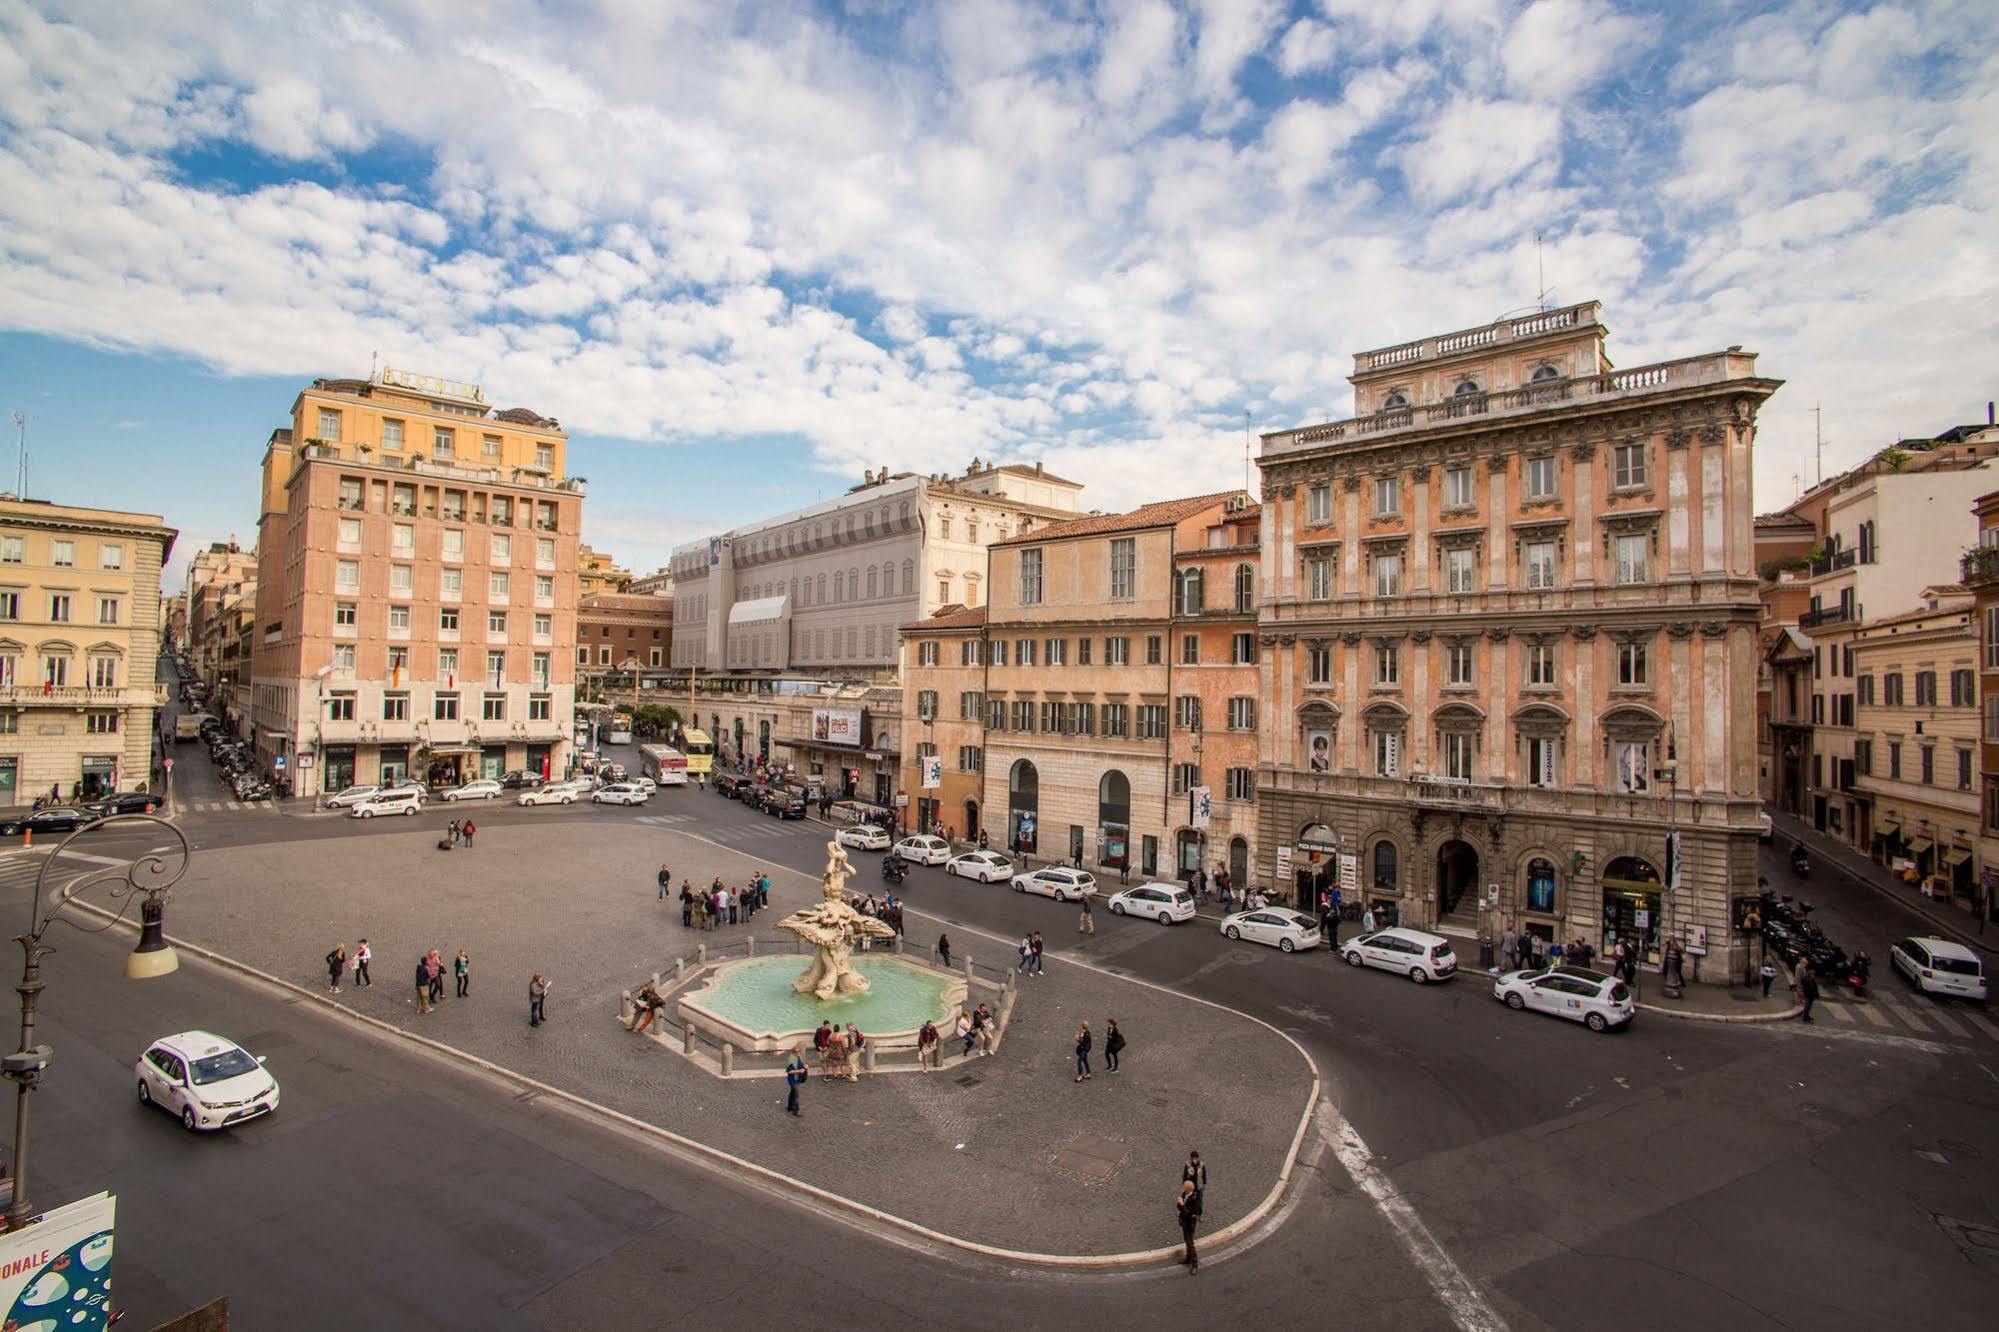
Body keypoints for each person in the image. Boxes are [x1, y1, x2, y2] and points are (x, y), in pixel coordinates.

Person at [1176, 1180, 1201, 1272]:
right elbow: (1179, 1207)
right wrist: (1180, 1205)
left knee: (1190, 1244)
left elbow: (1189, 1214)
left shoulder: (1195, 1200)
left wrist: (1182, 1205)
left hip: (1190, 1223)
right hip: (1184, 1221)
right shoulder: (1184, 1194)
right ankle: (1188, 1258)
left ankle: (1195, 1264)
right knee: (1186, 1240)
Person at [785, 1044, 808, 1116]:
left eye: (799, 1051)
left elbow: (801, 1065)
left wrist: (805, 1067)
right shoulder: (791, 1059)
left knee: (793, 1092)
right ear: (794, 1051)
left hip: (797, 1078)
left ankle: (790, 1107)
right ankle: (796, 1111)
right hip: (793, 1079)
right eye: (797, 1051)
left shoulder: (799, 1057)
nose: (798, 1053)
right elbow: (789, 1071)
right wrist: (799, 1071)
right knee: (796, 1094)